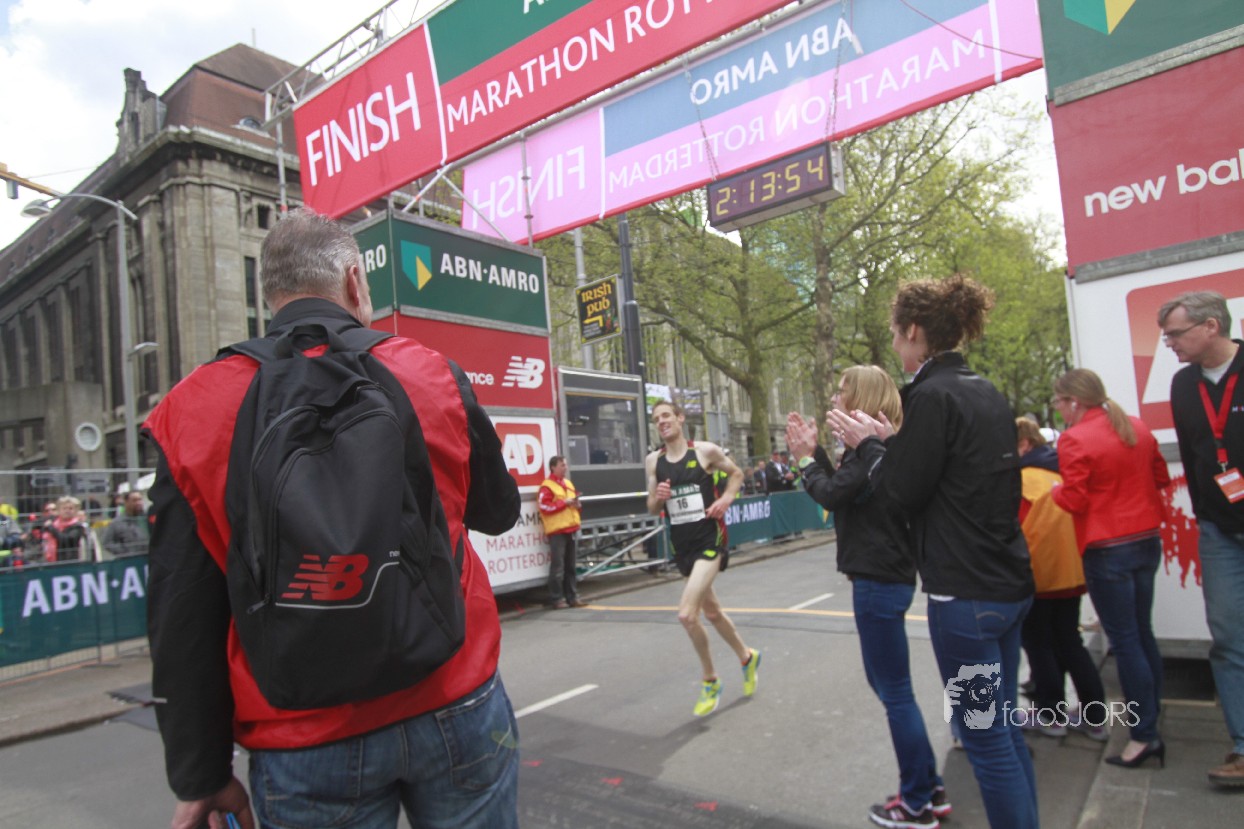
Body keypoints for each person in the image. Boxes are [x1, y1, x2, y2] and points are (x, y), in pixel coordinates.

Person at [143, 208, 522, 829]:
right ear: (354, 281)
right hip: (455, 696)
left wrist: (199, 773)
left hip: (302, 738)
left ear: (270, 294)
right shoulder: (431, 373)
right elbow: (498, 512)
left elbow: (182, 611)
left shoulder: (189, 412)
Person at [829, 275, 1036, 829]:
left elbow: (900, 493)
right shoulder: (984, 391)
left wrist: (870, 447)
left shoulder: (928, 395)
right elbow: (954, 475)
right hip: (1008, 581)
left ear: (914, 331)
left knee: (985, 739)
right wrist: (891, 445)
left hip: (963, 596)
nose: (896, 345)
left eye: (897, 334)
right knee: (1006, 732)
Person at [787, 366, 951, 827]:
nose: (834, 397)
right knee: (890, 688)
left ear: (861, 396)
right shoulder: (879, 449)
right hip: (886, 577)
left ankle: (916, 801)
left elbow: (832, 493)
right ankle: (929, 786)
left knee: (894, 693)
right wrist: (816, 453)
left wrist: (806, 459)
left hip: (879, 579)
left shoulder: (870, 450)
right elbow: (842, 489)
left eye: (842, 390)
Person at [1050, 368, 1170, 770]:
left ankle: (1144, 734)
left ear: (1073, 402)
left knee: (1125, 640)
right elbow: (1160, 477)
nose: (1058, 410)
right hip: (1146, 538)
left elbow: (1075, 500)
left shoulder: (1074, 439)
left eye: (1059, 402)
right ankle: (1150, 717)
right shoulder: (1136, 426)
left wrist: (1056, 492)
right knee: (1142, 632)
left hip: (1106, 546)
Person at [1158, 290, 1244, 787]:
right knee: (1230, 638)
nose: (1169, 343)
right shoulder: (1183, 384)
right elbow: (1193, 456)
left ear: (1211, 326)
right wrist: (1204, 514)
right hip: (1220, 531)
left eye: (1175, 333)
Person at [646, 401, 760, 717]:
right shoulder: (654, 461)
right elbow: (652, 507)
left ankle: (710, 680)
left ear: (680, 419)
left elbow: (736, 474)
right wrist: (659, 498)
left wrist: (726, 498)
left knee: (687, 615)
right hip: (682, 547)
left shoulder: (704, 452)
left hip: (710, 541)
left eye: (666, 416)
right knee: (712, 612)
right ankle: (747, 657)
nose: (661, 422)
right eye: (656, 419)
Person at [1013, 418, 1107, 741]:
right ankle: (1095, 716)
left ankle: (1050, 713)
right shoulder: (1062, 472)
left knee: (1038, 645)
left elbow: (1014, 529)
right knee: (1069, 642)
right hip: (1071, 571)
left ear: (1024, 444)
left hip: (1038, 574)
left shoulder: (1022, 481)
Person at [538, 455, 584, 609]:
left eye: (566, 465)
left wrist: (577, 505)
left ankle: (572, 597)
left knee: (570, 566)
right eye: (562, 465)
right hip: (557, 531)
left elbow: (573, 505)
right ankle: (557, 598)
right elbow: (544, 507)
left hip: (571, 528)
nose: (565, 468)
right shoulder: (547, 486)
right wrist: (564, 503)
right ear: (553, 467)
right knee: (558, 567)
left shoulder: (568, 484)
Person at [43, 495, 94, 562]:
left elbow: (65, 540)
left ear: (76, 511)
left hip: (69, 562)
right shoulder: (53, 523)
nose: (67, 511)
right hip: (50, 561)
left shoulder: (78, 526)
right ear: (59, 510)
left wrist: (51, 528)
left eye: (71, 508)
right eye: (64, 508)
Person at [99, 491, 150, 558]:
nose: (138, 503)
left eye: (140, 499)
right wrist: (125, 552)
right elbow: (107, 543)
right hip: (130, 560)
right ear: (126, 502)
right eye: (134, 500)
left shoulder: (147, 519)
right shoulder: (117, 522)